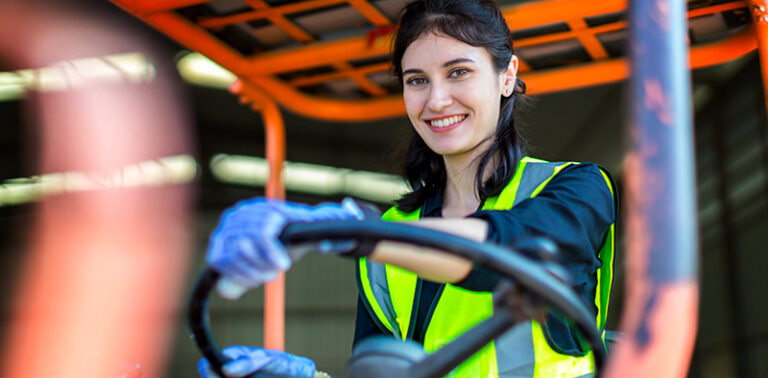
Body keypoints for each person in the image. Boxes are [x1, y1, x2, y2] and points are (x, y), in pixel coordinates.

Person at [198, 0, 617, 377]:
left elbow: (514, 252)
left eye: (458, 72)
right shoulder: (392, 232)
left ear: (507, 76)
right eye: (417, 81)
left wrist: (352, 232)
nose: (436, 101)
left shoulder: (577, 188)